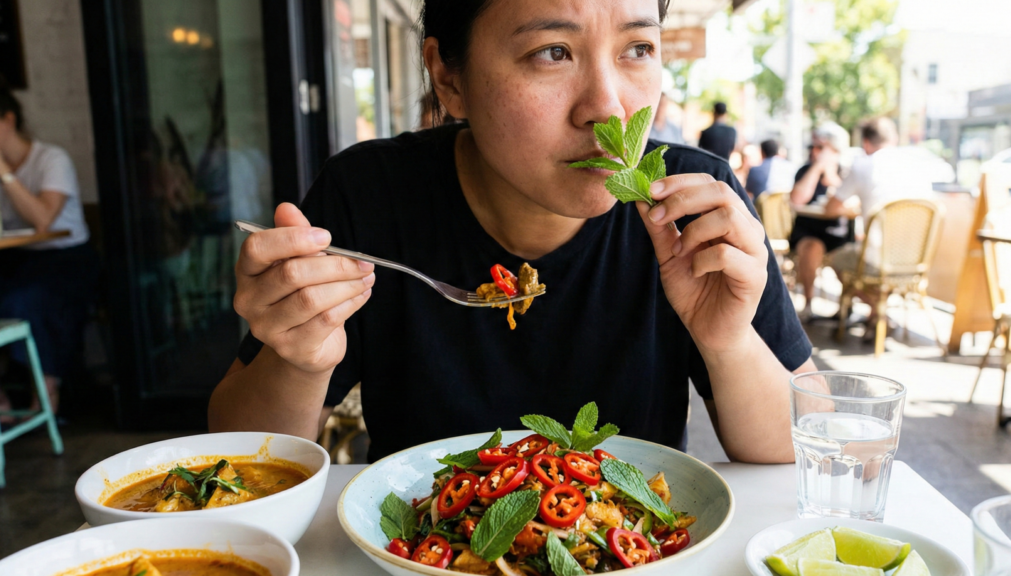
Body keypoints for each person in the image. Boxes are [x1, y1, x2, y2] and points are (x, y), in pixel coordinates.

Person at [209, 0, 816, 464]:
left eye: (637, 49)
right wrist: (299, 361)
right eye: (553, 52)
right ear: (449, 79)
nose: (608, 107)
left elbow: (803, 443)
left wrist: (730, 342)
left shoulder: (693, 201)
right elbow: (235, 456)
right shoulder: (372, 194)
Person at [0, 73, 98, 418]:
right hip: (16, 258)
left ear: (8, 119)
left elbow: (43, 220)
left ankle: (46, 387)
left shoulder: (51, 159)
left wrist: (2, 171)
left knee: (27, 300)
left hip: (66, 258)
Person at [823, 117, 932, 337]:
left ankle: (875, 310)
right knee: (865, 255)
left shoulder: (864, 164)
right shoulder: (916, 163)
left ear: (865, 142)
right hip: (918, 261)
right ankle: (877, 314)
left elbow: (830, 209)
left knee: (834, 258)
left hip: (878, 260)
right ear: (893, 138)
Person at [787, 122, 851, 319]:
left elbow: (848, 201)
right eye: (813, 147)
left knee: (851, 256)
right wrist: (816, 169)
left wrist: (829, 171)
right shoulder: (805, 171)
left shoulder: (845, 172)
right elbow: (797, 199)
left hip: (838, 232)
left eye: (821, 147)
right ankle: (808, 304)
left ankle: (847, 307)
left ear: (835, 150)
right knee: (812, 248)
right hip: (808, 229)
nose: (815, 151)